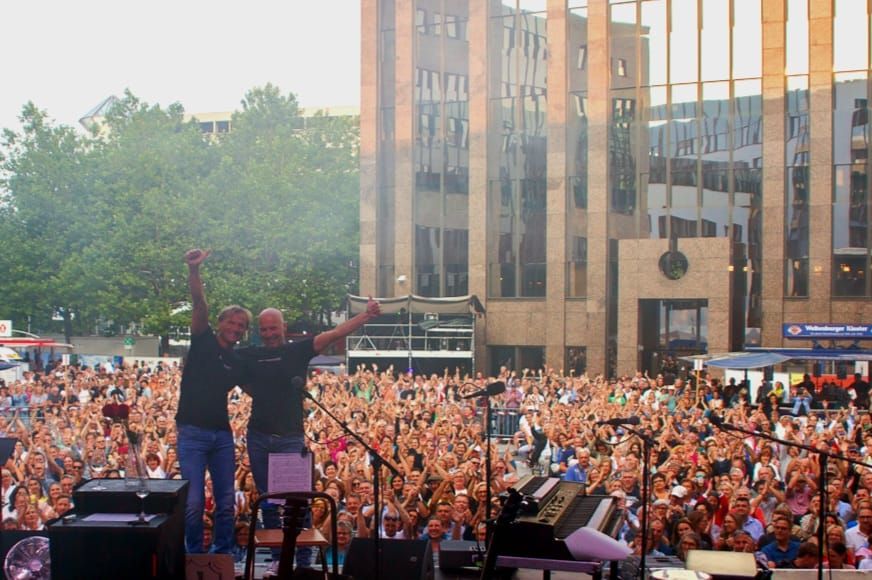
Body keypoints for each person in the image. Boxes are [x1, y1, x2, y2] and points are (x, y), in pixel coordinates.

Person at [238, 298, 380, 563]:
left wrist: (365, 316)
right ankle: (278, 562)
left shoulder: (298, 350)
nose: (268, 334)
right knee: (267, 501)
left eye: (273, 328)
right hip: (258, 436)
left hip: (290, 437)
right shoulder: (250, 354)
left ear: (283, 326)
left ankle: (302, 562)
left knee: (297, 501)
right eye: (264, 330)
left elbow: (335, 333)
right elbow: (236, 376)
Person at [176, 249, 251, 554]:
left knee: (226, 503)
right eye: (231, 322)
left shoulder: (238, 360)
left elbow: (258, 387)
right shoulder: (202, 339)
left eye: (241, 326)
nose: (235, 328)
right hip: (192, 432)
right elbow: (199, 303)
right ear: (219, 322)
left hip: (221, 435)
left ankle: (222, 556)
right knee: (193, 503)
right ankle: (193, 555)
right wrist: (194, 270)